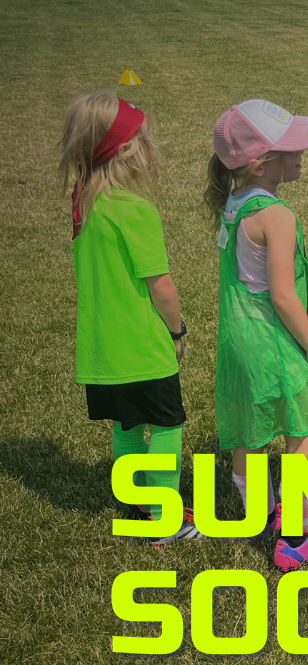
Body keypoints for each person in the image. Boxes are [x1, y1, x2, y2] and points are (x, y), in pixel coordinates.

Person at [207, 98, 308, 572]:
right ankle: (294, 536)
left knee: (249, 430)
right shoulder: (278, 217)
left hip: (237, 343)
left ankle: (257, 514)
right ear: (262, 162)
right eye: (293, 148)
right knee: (301, 430)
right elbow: (284, 296)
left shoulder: (234, 202)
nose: (303, 153)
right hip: (272, 343)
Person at [63, 91, 199, 546]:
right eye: (142, 140)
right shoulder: (135, 211)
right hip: (144, 349)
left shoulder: (85, 207)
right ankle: (165, 516)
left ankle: (135, 497)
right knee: (164, 425)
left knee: (125, 424)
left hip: (103, 352)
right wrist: (177, 331)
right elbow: (161, 286)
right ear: (124, 150)